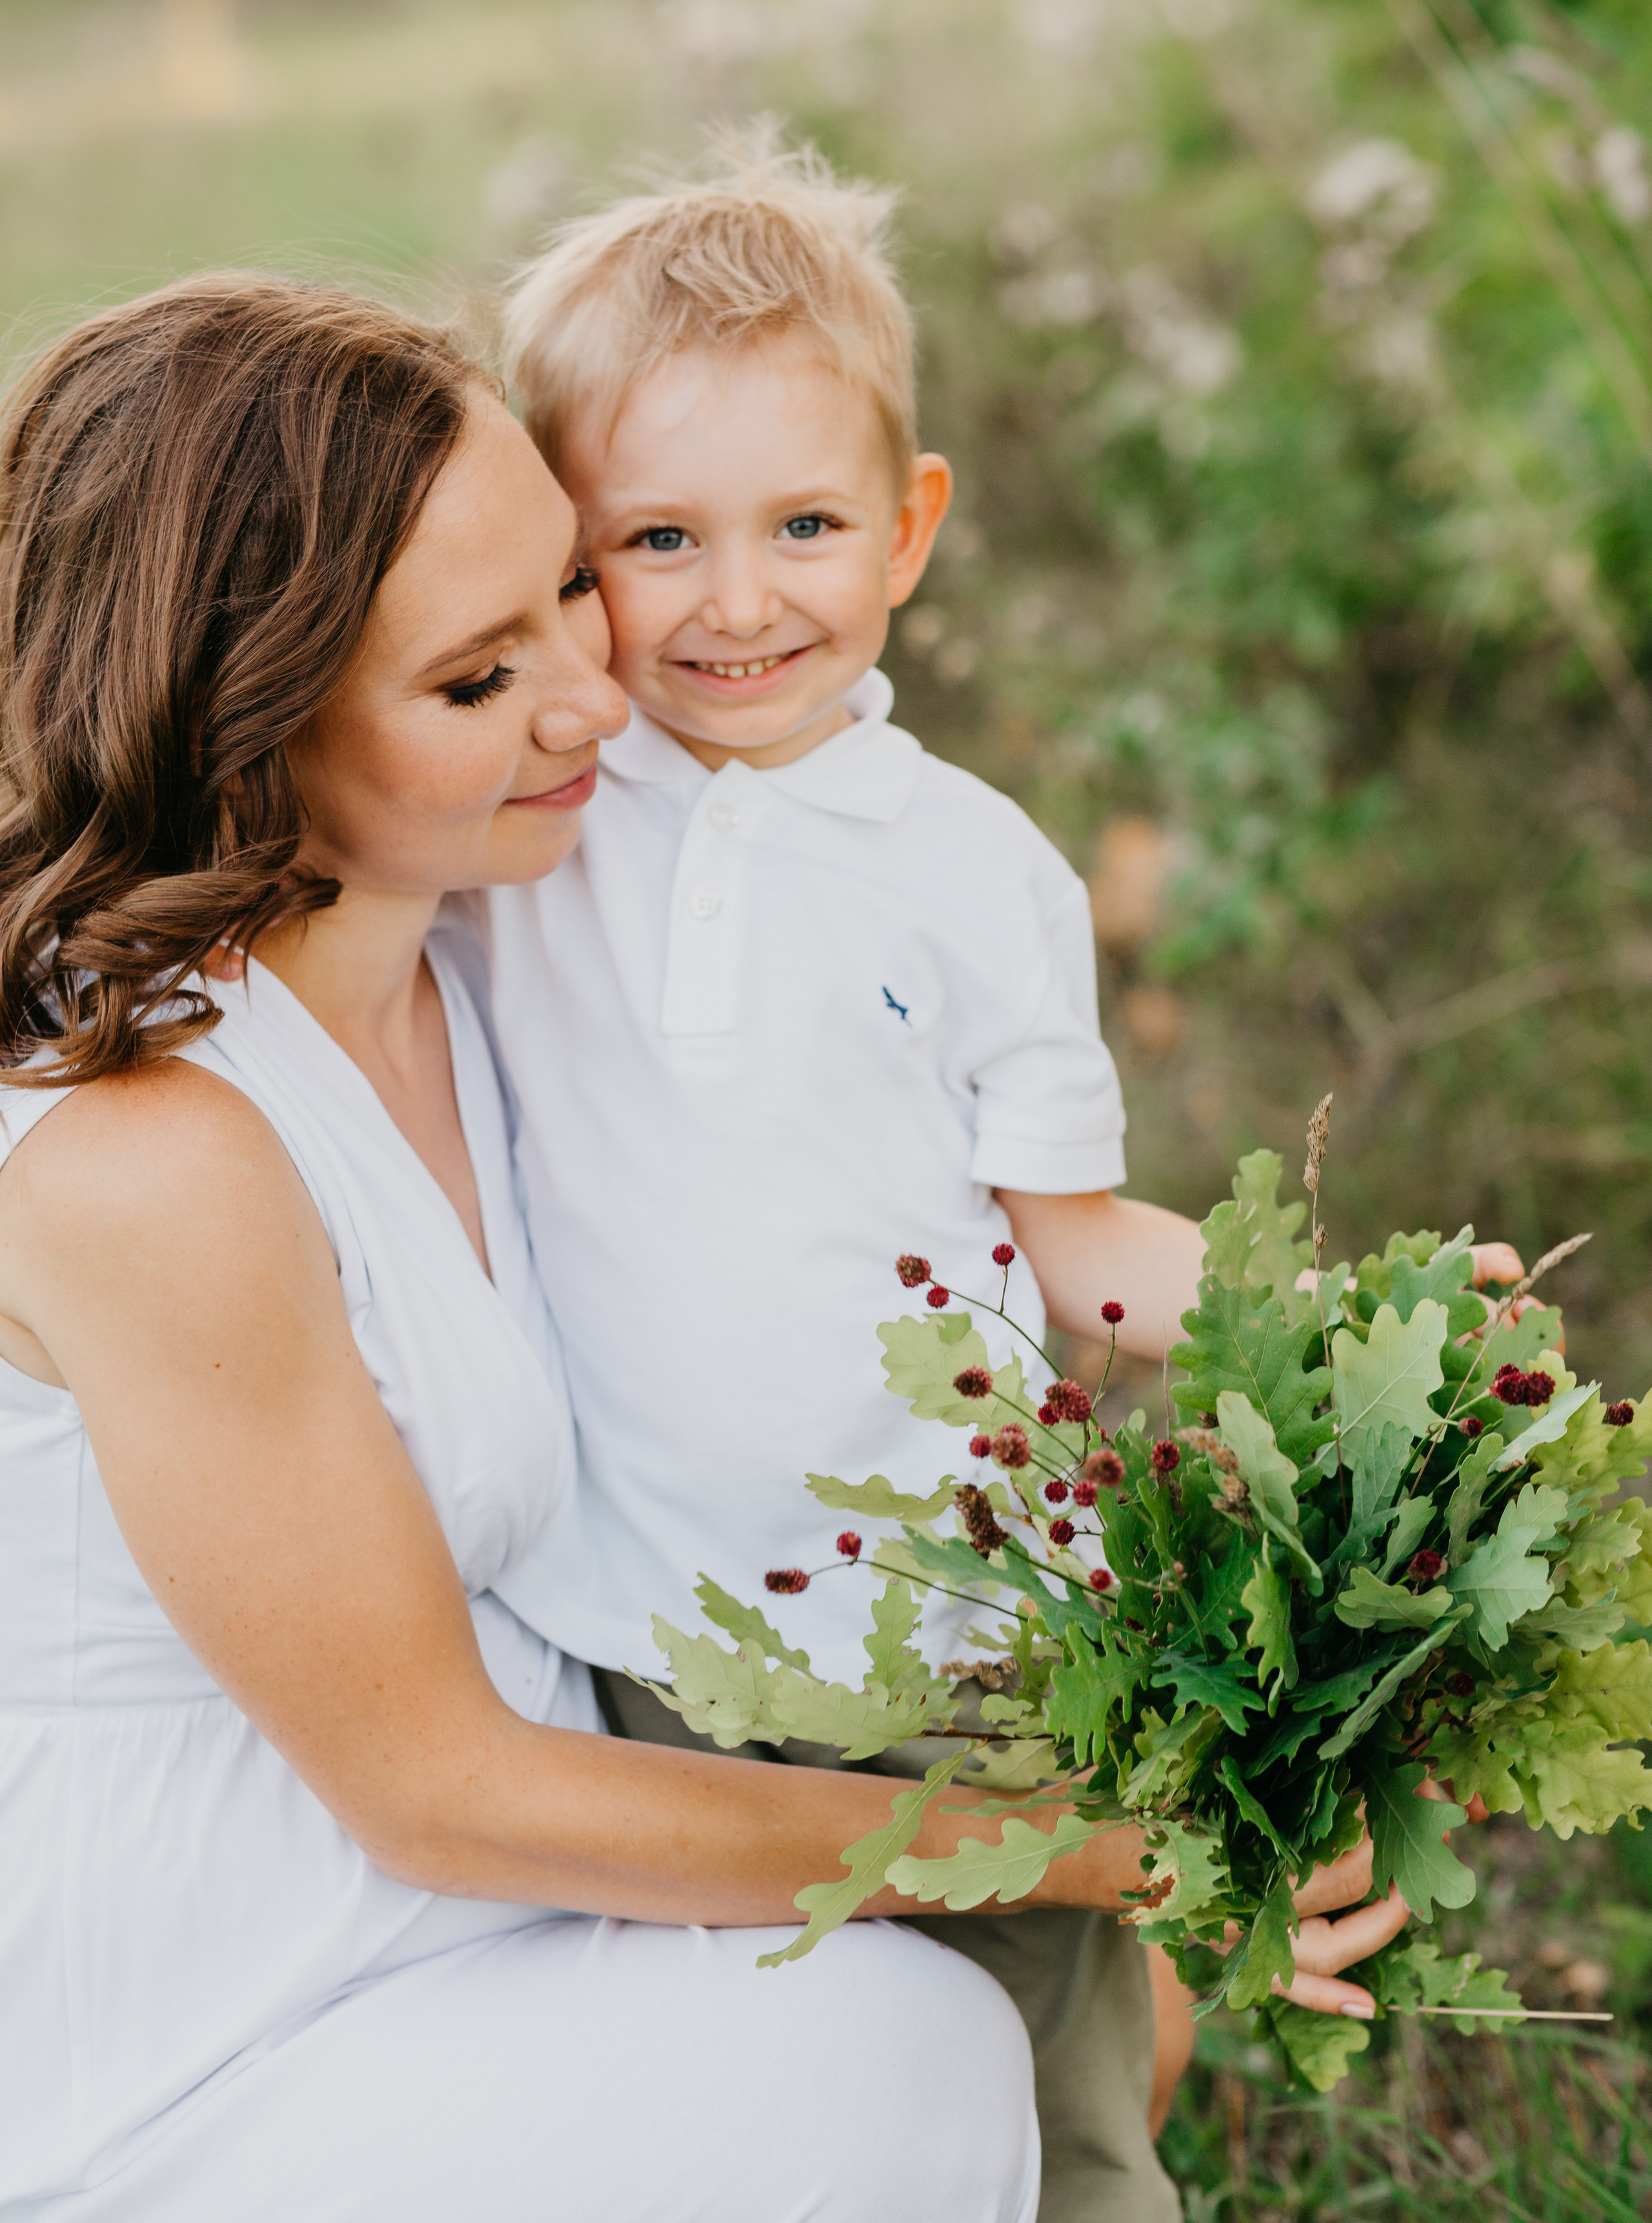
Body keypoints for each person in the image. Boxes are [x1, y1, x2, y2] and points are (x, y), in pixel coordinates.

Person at [0, 273, 1406, 2220]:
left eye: (572, 586)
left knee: (1079, 2046)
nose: (597, 696)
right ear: (250, 728)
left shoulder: (488, 957)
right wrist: (1087, 1841)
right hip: (233, 1995)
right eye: (477, 681)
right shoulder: (152, 1153)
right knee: (907, 2067)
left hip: (526, 1870)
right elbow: (434, 1788)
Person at [489, 138, 1309, 2217]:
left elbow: (1072, 1240)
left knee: (1047, 2077)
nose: (739, 599)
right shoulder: (531, 824)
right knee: (740, 2089)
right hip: (638, 1638)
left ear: (912, 527)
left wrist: (1309, 1340)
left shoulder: (974, 876)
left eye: (806, 525)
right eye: (654, 537)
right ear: (560, 555)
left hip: (964, 1634)